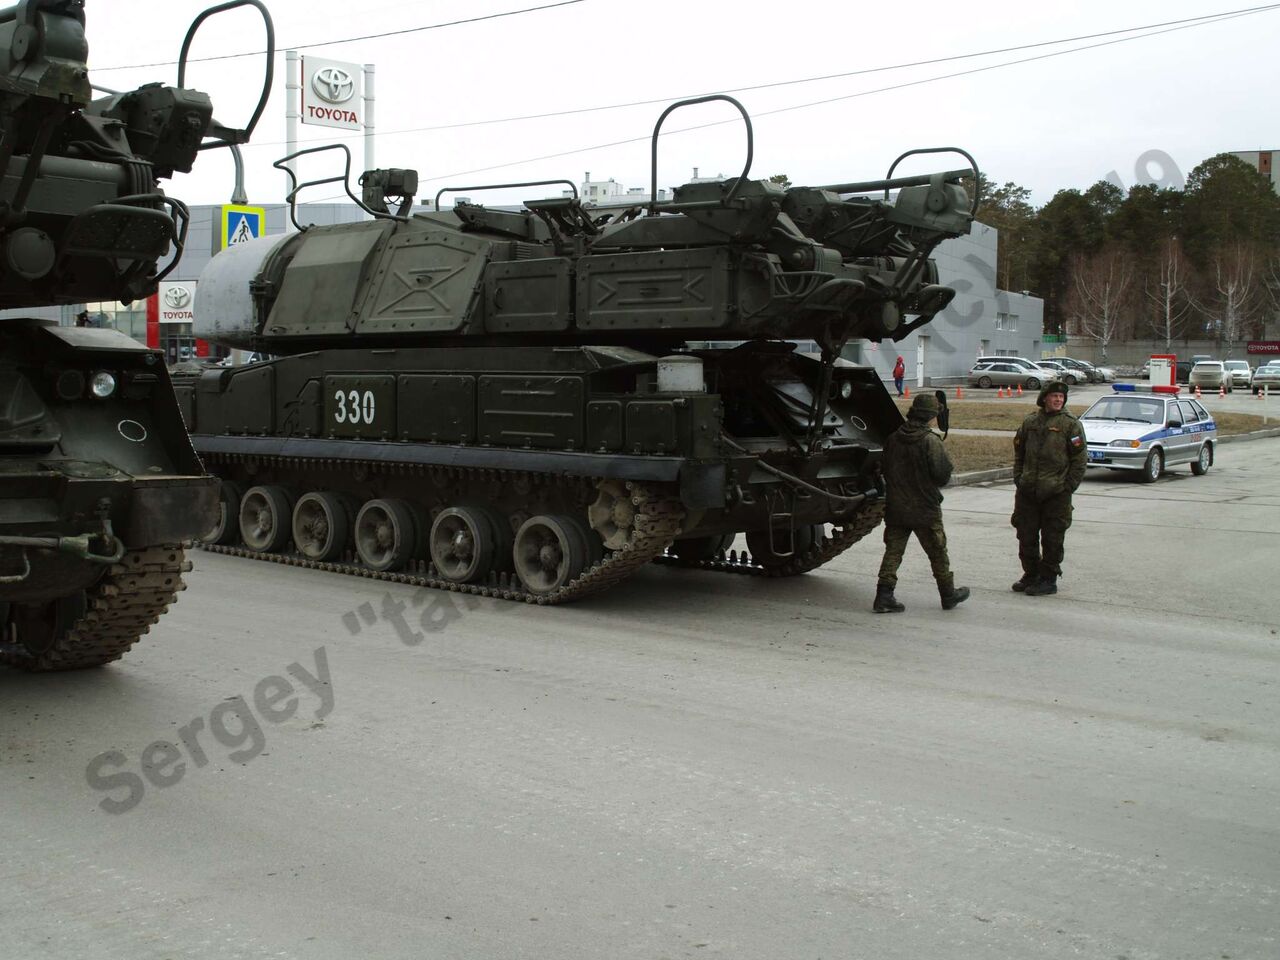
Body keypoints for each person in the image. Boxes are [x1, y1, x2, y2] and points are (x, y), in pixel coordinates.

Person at [873, 392, 970, 613]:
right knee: (937, 552)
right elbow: (942, 476)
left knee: (893, 552)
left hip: (897, 506)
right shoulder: (930, 441)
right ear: (931, 416)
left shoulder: (893, 438)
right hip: (924, 508)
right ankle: (948, 593)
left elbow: (883, 468)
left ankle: (884, 595)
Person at [1011, 380, 1087, 596]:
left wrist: (1067, 487)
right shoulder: (1030, 422)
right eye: (1054, 396)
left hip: (1056, 492)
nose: (1058, 400)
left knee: (1053, 537)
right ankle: (1031, 574)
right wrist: (1019, 478)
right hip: (1028, 491)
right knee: (1026, 535)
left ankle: (1048, 578)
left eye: (1061, 397)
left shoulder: (1070, 424)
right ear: (1044, 398)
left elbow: (1080, 459)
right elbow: (1019, 453)